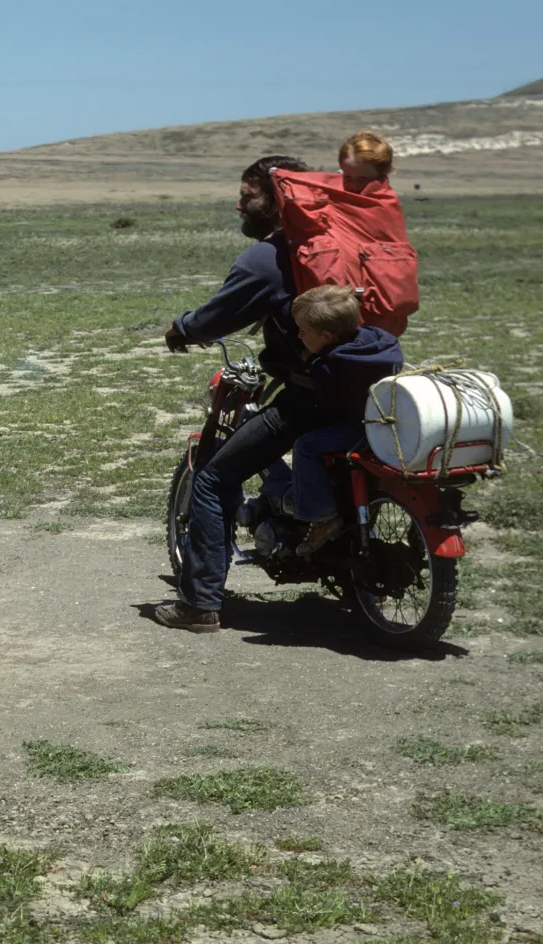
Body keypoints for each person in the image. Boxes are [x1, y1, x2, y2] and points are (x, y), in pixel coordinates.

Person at [156, 155, 311, 633]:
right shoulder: (334, 244)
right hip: (364, 386)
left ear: (277, 198)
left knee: (210, 479)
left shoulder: (269, 256)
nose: (238, 204)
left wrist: (182, 329)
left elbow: (219, 315)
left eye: (248, 196)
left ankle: (199, 604)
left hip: (309, 395)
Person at [287, 285, 403, 556]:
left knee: (305, 445)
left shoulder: (328, 366)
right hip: (390, 423)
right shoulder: (380, 342)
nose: (299, 335)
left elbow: (328, 409)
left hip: (358, 431)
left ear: (326, 336)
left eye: (303, 331)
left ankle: (322, 517)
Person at [339, 129, 394, 194]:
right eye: (347, 177)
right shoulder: (329, 195)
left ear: (381, 175)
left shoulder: (384, 202)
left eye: (362, 178)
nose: (353, 186)